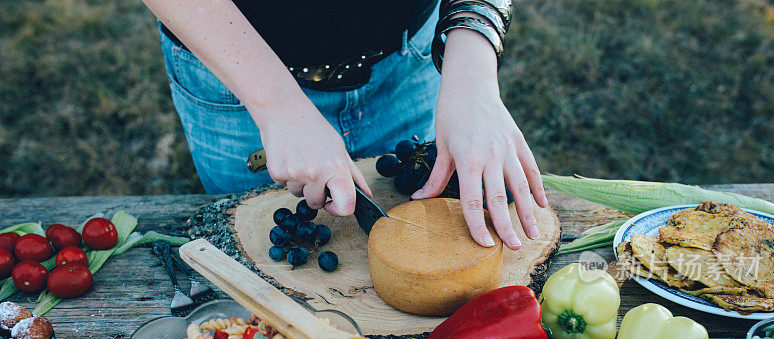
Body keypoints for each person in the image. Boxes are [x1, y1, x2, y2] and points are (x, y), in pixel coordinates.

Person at [143, 0, 548, 250]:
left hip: (411, 63)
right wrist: (277, 105)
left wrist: (472, 72)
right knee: (250, 265)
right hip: (236, 80)